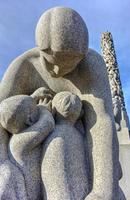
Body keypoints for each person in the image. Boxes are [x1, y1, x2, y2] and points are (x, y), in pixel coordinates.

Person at [0, 7, 121, 199]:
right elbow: (3, 114)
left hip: (76, 153)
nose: (57, 69)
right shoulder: (23, 66)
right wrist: (3, 163)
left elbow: (101, 124)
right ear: (41, 49)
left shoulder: (92, 65)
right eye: (51, 61)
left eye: (69, 64)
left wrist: (102, 190)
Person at [0, 94, 55, 200]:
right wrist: (43, 109)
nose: (37, 107)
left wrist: (33, 98)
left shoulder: (16, 139)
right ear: (29, 120)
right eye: (35, 108)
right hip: (31, 194)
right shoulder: (20, 142)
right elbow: (48, 124)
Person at [42, 91, 89, 200]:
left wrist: (43, 110)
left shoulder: (55, 135)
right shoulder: (80, 135)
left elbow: (54, 172)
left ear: (53, 110)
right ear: (79, 114)